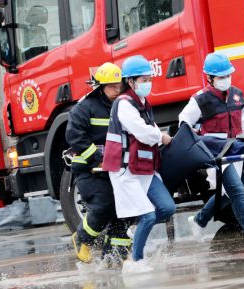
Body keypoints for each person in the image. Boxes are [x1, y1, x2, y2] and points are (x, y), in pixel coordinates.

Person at [179, 52, 244, 249]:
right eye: (221, 77)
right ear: (209, 78)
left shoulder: (237, 95)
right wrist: (199, 142)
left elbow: (243, 124)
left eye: (228, 75)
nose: (226, 80)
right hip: (215, 154)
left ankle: (199, 220)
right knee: (237, 190)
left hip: (236, 149)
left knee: (226, 193)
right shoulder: (199, 100)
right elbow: (184, 123)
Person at [102, 55, 176, 273]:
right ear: (131, 82)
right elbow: (142, 131)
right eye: (144, 79)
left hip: (143, 167)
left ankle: (137, 229)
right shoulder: (123, 104)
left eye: (149, 78)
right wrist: (160, 136)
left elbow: (149, 127)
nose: (148, 83)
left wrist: (159, 133)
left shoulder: (143, 103)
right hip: (125, 171)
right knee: (149, 215)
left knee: (167, 207)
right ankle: (135, 261)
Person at [66, 62, 131, 266]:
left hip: (116, 168)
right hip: (89, 170)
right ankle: (82, 238)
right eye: (111, 86)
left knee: (125, 207)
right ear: (100, 87)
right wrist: (97, 158)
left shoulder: (123, 105)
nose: (116, 90)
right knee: (104, 205)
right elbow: (74, 135)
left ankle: (115, 252)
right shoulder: (85, 108)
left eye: (118, 85)